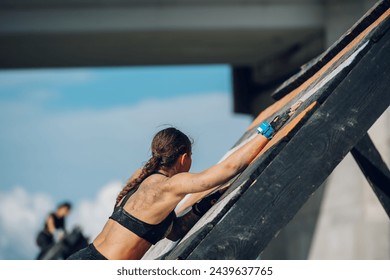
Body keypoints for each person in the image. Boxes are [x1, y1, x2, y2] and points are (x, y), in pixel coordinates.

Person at [67, 117, 289, 260]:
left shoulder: (141, 178)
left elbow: (173, 232)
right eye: (191, 156)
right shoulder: (170, 185)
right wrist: (269, 131)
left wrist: (201, 207)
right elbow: (230, 167)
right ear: (184, 157)